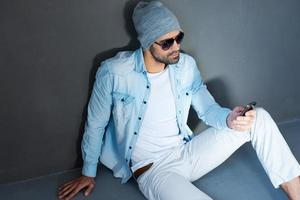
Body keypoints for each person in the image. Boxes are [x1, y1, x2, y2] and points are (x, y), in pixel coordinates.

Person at [58, 1, 300, 200]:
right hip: (154, 171)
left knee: (260, 118)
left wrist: (230, 118)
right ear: (146, 42)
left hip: (187, 152)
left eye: (178, 38)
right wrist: (88, 172)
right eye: (166, 42)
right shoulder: (113, 72)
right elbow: (96, 123)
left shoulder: (185, 66)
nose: (176, 47)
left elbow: (207, 109)